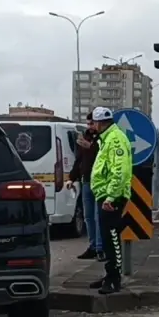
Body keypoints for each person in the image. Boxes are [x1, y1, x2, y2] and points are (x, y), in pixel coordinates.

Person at [88, 107, 133, 294]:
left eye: (93, 123)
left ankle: (114, 279)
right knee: (107, 238)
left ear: (100, 123)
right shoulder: (106, 139)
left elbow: (119, 171)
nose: (91, 126)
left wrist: (111, 197)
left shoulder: (114, 139)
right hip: (105, 195)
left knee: (111, 237)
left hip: (110, 197)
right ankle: (110, 274)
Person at [66, 112, 103, 261]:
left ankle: (101, 248)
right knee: (88, 216)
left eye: (92, 123)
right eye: (88, 124)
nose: (90, 127)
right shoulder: (85, 137)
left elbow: (103, 155)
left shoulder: (103, 138)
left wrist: (90, 147)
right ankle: (93, 246)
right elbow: (79, 160)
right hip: (86, 181)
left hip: (100, 182)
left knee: (98, 216)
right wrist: (71, 178)